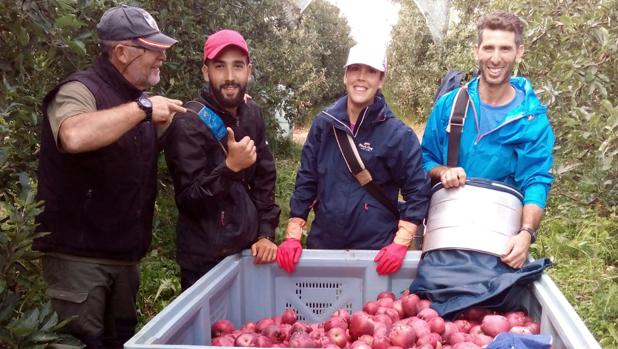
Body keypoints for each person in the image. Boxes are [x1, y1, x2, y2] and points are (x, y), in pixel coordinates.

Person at [33, 5, 185, 348]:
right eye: (154, 49)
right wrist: (144, 110)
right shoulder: (79, 90)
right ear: (121, 52)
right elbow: (73, 135)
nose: (162, 57)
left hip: (124, 259)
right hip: (80, 262)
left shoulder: (136, 102)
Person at [410, 11, 554, 318]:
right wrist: (442, 171)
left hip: (496, 253)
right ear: (477, 50)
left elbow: (536, 181)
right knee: (433, 323)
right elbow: (424, 159)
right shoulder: (450, 106)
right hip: (445, 250)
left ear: (519, 52)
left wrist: (526, 233)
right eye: (488, 48)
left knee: (487, 321)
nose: (495, 58)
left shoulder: (531, 120)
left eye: (504, 48)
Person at [276, 42, 431, 275]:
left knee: (370, 311)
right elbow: (307, 178)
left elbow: (418, 190)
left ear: (381, 79)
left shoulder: (398, 135)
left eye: (370, 71)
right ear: (345, 75)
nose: (361, 77)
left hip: (374, 252)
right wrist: (293, 233)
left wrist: (401, 242)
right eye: (355, 69)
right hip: (325, 245)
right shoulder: (323, 124)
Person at [163, 29, 280, 291]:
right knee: (211, 331)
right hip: (205, 261)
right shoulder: (187, 125)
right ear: (206, 72)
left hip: (249, 253)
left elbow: (265, 179)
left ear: (249, 70)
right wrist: (229, 169)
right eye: (219, 67)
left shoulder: (252, 115)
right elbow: (188, 200)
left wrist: (265, 233)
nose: (230, 77)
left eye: (237, 66)